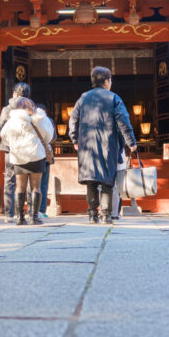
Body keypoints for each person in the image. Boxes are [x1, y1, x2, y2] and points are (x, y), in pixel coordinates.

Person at [68, 66, 137, 224]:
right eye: (110, 79)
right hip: (108, 144)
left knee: (91, 181)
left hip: (87, 146)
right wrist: (131, 142)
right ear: (106, 81)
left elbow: (73, 120)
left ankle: (92, 214)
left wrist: (75, 140)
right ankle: (106, 215)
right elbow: (123, 121)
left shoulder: (83, 98)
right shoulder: (114, 98)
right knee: (107, 181)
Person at [0, 97, 55, 225]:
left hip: (18, 156)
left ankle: (20, 218)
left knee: (20, 187)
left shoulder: (12, 121)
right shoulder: (40, 118)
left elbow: (5, 137)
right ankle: (34, 217)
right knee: (36, 187)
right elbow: (49, 136)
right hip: (36, 154)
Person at [0, 82, 31, 223]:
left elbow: (1, 127)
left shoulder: (7, 110)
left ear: (15, 94)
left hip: (11, 148)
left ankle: (9, 214)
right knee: (29, 180)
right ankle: (30, 212)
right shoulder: (31, 108)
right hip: (27, 148)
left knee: (10, 180)